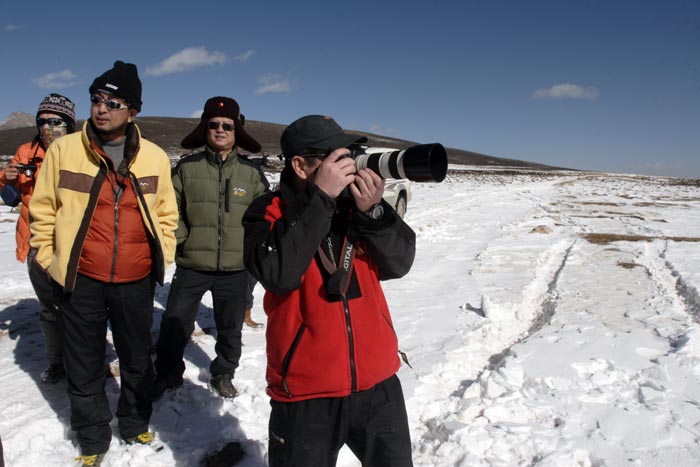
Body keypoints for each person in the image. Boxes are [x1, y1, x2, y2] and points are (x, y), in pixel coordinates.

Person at [242, 115, 416, 467]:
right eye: (334, 156)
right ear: (300, 165)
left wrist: (376, 212)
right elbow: (277, 273)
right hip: (306, 394)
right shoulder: (268, 212)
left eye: (349, 153)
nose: (348, 164)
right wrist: (320, 199)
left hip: (378, 384)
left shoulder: (359, 209)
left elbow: (400, 263)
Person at [29, 61, 178, 466]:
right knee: (84, 363)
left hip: (136, 279)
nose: (101, 109)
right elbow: (42, 210)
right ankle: (93, 438)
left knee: (135, 360)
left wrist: (161, 255)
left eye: (113, 102)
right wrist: (49, 258)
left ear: (133, 110)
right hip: (81, 279)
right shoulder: (64, 150)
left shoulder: (154, 157)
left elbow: (166, 214)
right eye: (96, 99)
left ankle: (133, 423)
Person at [153, 96, 269, 400]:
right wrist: (182, 240)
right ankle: (167, 374)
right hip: (192, 264)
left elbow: (264, 217)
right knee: (175, 323)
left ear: (236, 131)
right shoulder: (186, 169)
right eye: (214, 124)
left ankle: (223, 373)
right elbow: (169, 209)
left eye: (227, 126)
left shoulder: (251, 174)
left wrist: (251, 250)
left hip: (235, 268)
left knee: (230, 329)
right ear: (205, 128)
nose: (220, 130)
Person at [0, 93, 75, 384]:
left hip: (74, 244)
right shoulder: (25, 151)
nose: (48, 128)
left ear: (68, 124)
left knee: (80, 308)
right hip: (36, 243)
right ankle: (57, 363)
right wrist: (6, 177)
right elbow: (10, 196)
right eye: (43, 122)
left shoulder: (81, 152)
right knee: (49, 310)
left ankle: (84, 360)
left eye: (55, 122)